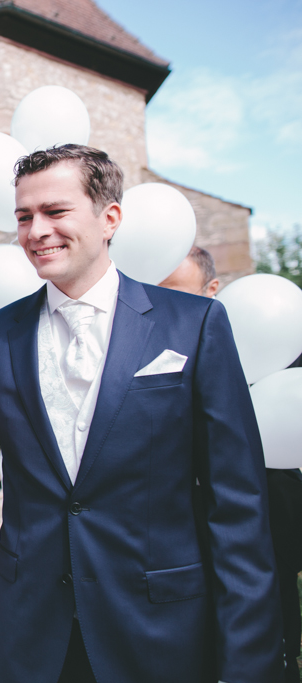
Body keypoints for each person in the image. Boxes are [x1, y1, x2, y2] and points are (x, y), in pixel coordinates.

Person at [0, 145, 281, 683]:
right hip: (38, 631)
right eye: (24, 217)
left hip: (159, 626)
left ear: (109, 217)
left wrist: (250, 663)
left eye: (55, 211)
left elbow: (236, 503)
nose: (36, 230)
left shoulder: (194, 324)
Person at [159, 249, 302, 682]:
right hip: (175, 532)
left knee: (271, 628)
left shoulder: (265, 337)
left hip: (265, 520)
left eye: (178, 293)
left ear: (211, 290)